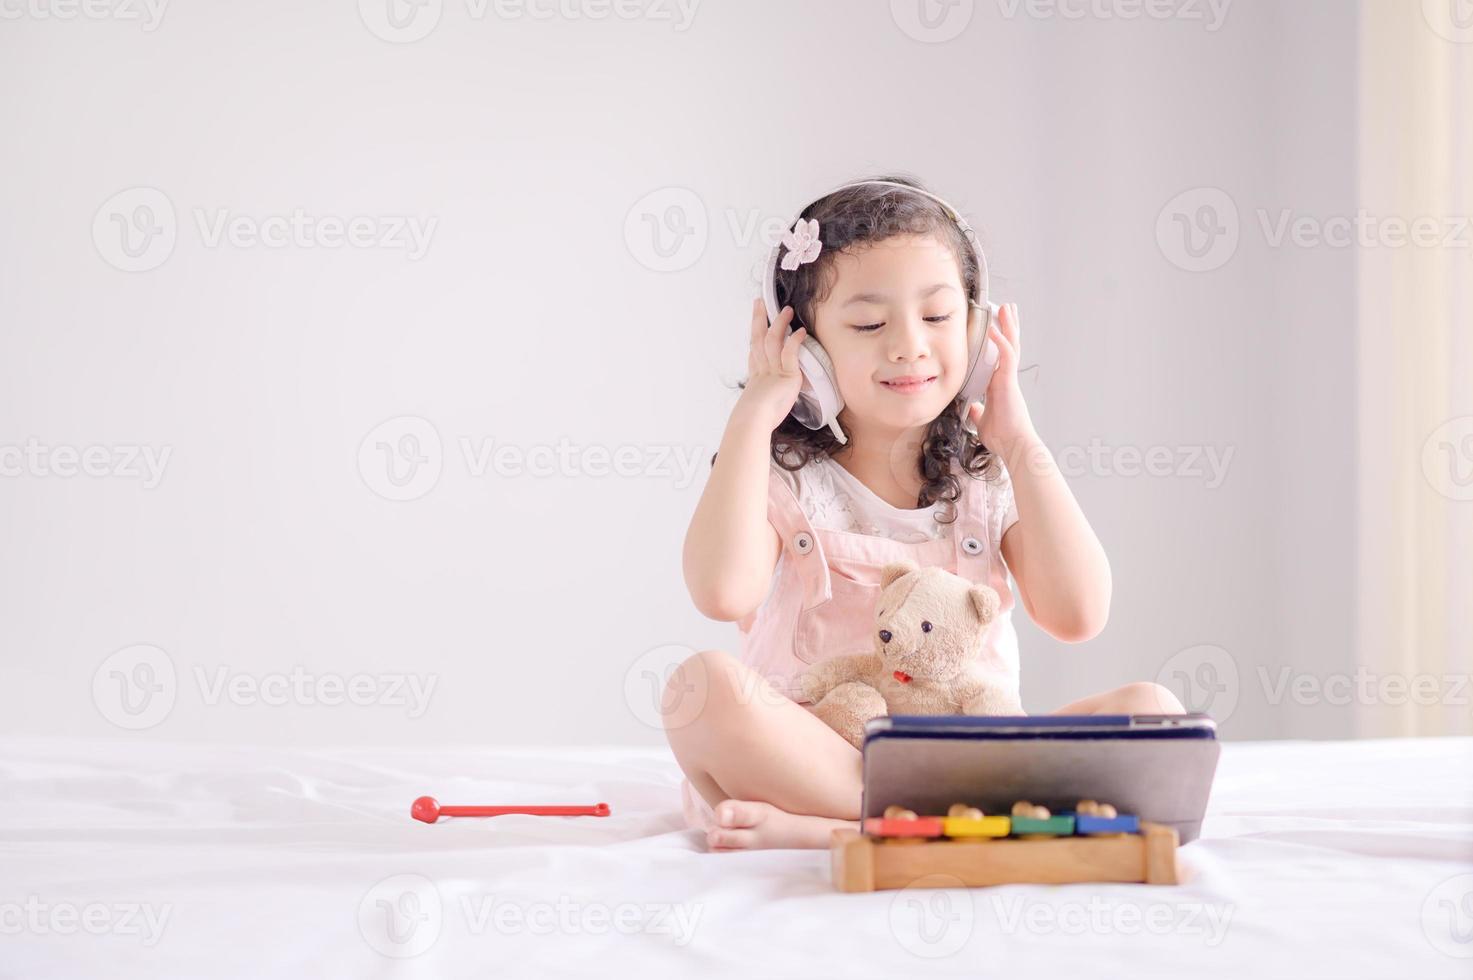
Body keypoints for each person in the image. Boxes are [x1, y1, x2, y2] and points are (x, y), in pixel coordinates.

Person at [666, 175, 1183, 851]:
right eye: (868, 324)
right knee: (699, 689)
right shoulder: (783, 479)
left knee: (1156, 715)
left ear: (977, 331)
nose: (908, 345)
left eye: (937, 318)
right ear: (807, 352)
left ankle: (843, 830)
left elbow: (1077, 613)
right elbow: (719, 591)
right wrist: (754, 416)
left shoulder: (987, 478)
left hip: (974, 756)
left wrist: (1018, 441)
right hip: (824, 758)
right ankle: (932, 822)